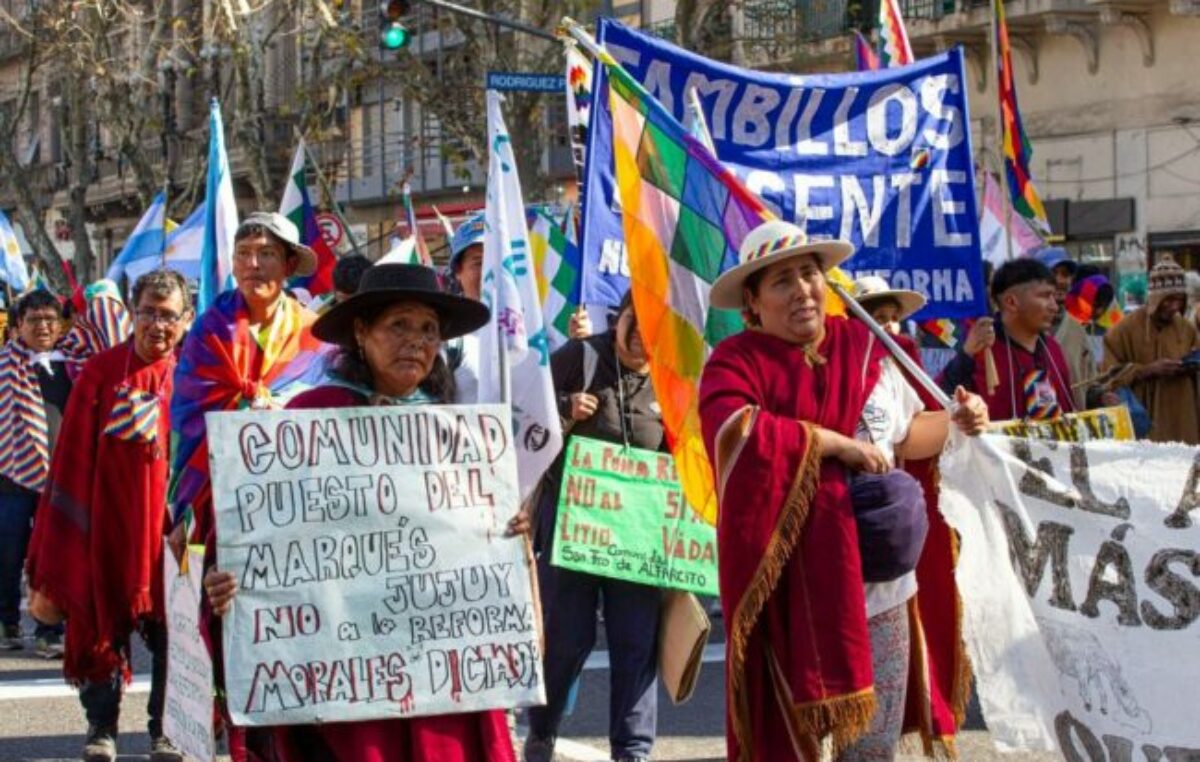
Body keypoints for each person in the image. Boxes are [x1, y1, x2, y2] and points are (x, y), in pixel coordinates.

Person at [201, 263, 520, 762]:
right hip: (342, 677)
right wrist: (226, 580)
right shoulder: (307, 421)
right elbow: (247, 529)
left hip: (441, 679)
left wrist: (506, 527)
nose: (416, 341)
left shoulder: (457, 435)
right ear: (360, 332)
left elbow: (476, 538)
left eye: (429, 330)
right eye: (399, 325)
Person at [698, 220, 987, 761]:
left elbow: (911, 436)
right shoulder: (735, 362)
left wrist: (959, 421)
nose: (802, 290)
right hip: (793, 595)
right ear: (753, 304)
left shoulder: (868, 348)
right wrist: (829, 442)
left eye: (809, 274)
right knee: (793, 743)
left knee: (871, 748)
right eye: (781, 281)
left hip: (885, 590)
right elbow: (735, 431)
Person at [26, 270, 191, 762]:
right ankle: (102, 728)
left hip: (172, 534)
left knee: (175, 635)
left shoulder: (190, 377)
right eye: (147, 312)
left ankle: (165, 730)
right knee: (97, 625)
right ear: (131, 315)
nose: (156, 324)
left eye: (167, 315)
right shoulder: (99, 373)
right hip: (105, 526)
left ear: (184, 320)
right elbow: (72, 459)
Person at [523, 292, 664, 762]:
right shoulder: (579, 357)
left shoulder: (672, 379)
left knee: (636, 644)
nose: (642, 334)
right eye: (634, 321)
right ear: (616, 318)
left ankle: (633, 750)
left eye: (654, 326)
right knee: (566, 642)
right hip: (572, 533)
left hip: (637, 539)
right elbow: (525, 422)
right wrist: (563, 409)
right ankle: (542, 730)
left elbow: (689, 459)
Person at [170, 211, 328, 547]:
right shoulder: (208, 330)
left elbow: (323, 408)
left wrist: (277, 414)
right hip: (212, 489)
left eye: (266, 253)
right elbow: (186, 414)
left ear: (288, 265)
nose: (252, 263)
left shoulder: (313, 335)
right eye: (243, 253)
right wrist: (242, 415)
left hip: (288, 493)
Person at [0, 289, 74, 656]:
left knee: (52, 556)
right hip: (10, 481)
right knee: (8, 554)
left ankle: (49, 629)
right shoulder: (4, 367)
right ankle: (7, 623)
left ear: (61, 325)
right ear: (17, 327)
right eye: (33, 320)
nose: (42, 326)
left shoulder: (74, 365)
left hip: (60, 480)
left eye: (49, 319)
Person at [939, 259, 1074, 421]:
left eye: (1053, 296)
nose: (1054, 306)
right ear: (1011, 302)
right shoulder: (981, 350)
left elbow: (1069, 411)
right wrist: (966, 356)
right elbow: (941, 404)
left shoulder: (1053, 349)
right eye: (1045, 296)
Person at [1103, 255, 1200, 444]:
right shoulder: (1123, 330)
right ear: (1155, 298)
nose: (1175, 307)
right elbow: (1107, 378)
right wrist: (1147, 370)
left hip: (1183, 421)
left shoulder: (1186, 329)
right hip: (1144, 424)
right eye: (1168, 300)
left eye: (1180, 300)